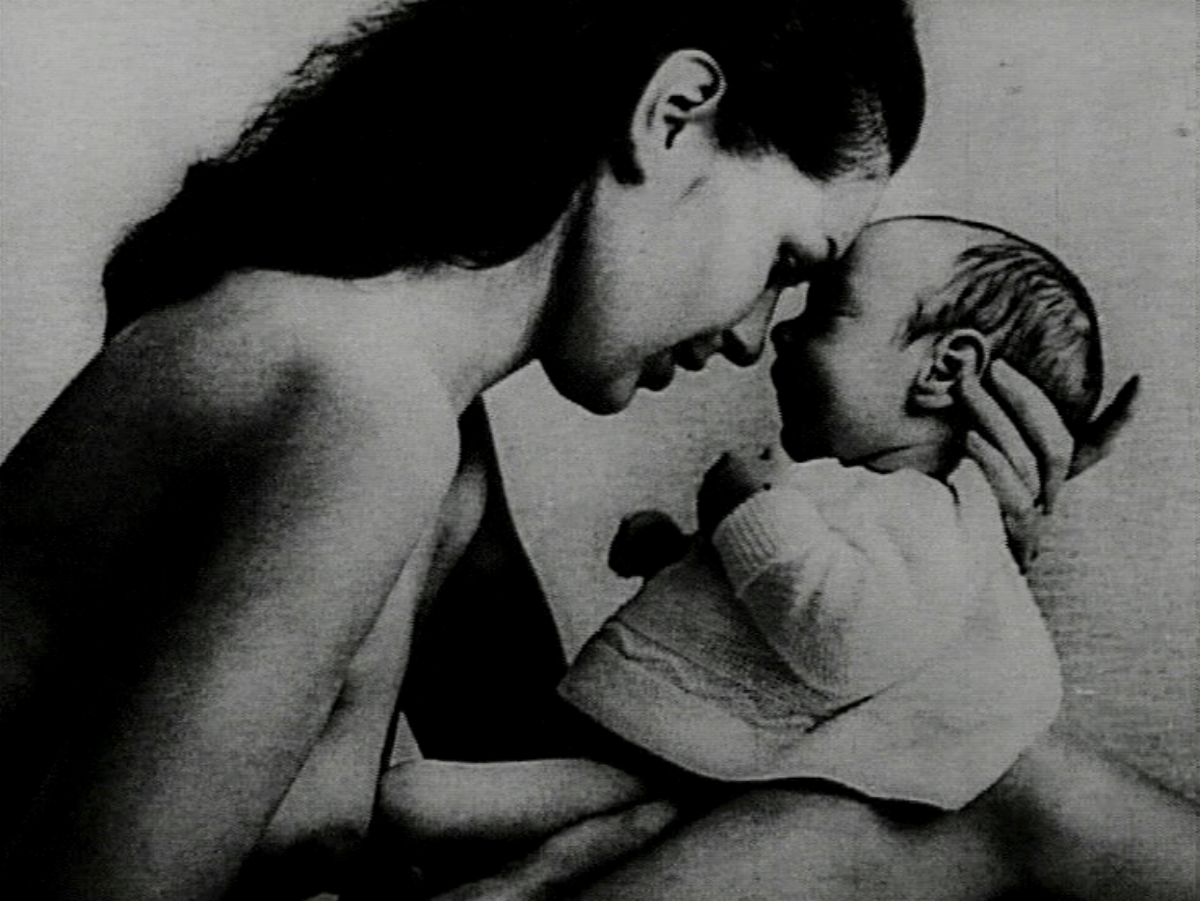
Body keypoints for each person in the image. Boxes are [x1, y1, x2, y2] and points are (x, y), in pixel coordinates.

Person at [0, 1, 1192, 899]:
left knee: (991, 792)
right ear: (674, 116)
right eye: (787, 263)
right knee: (1002, 805)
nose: (753, 339)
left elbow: (557, 769)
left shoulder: (414, 406)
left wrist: (947, 549)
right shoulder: (358, 401)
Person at [561, 215, 1132, 815]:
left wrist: (749, 516)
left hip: (684, 766)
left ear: (944, 369)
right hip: (654, 751)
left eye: (824, 313)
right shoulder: (849, 490)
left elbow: (846, 643)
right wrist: (674, 553)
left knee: (536, 810)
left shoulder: (930, 519)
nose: (782, 331)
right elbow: (769, 608)